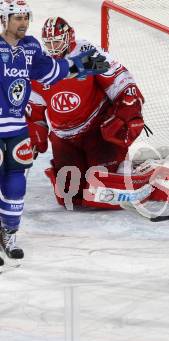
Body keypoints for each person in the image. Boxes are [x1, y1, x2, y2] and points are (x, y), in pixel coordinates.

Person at [26, 17, 169, 211]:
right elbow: (34, 110)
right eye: (48, 43)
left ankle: (143, 172)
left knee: (103, 191)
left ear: (68, 38)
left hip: (96, 129)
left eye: (57, 42)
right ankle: (123, 170)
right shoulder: (39, 65)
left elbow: (120, 80)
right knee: (69, 196)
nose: (53, 48)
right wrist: (32, 134)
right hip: (63, 137)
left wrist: (128, 106)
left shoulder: (85, 55)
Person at [0, 1, 110, 264]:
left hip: (17, 126)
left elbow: (51, 71)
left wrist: (81, 65)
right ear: (4, 20)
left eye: (26, 17)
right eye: (17, 18)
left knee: (16, 182)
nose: (23, 23)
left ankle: (9, 233)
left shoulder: (30, 47)